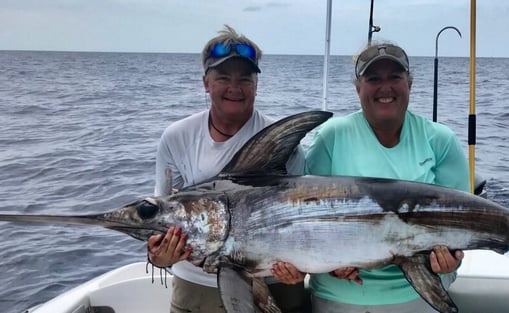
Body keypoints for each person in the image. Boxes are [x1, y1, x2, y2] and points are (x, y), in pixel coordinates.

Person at [146, 25, 306, 313]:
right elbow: (162, 217)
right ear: (206, 83)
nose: (235, 88)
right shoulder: (177, 137)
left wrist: (302, 269)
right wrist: (158, 256)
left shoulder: (283, 142)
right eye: (223, 78)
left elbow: (303, 220)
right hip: (197, 288)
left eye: (245, 79)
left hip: (274, 281)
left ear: (256, 85)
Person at [304, 41, 470, 313]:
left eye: (395, 77)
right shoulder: (331, 136)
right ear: (358, 88)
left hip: (420, 290)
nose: (385, 87)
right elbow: (307, 219)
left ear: (410, 83)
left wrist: (451, 258)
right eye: (373, 79)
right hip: (341, 294)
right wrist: (332, 265)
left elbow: (462, 224)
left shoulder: (440, 140)